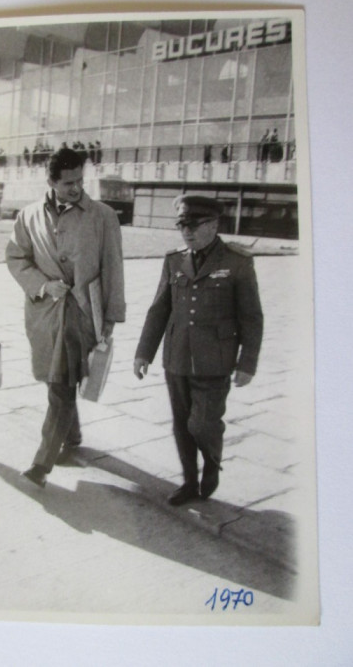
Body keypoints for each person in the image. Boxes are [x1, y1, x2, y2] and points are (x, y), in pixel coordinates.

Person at [6, 147, 126, 487]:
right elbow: (16, 258)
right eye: (69, 182)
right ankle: (72, 438)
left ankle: (42, 465)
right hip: (44, 315)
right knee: (57, 380)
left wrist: (111, 318)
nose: (76, 188)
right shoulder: (28, 216)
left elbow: (113, 268)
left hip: (84, 315)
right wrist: (43, 285)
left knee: (60, 385)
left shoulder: (103, 216)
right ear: (51, 181)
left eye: (80, 181)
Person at [134, 195, 263, 505]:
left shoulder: (237, 261)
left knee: (202, 423)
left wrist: (247, 363)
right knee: (181, 424)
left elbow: (252, 316)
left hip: (215, 360)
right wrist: (143, 353)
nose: (186, 232)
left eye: (193, 225)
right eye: (182, 225)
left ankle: (213, 461)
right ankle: (190, 482)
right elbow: (159, 309)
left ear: (214, 225)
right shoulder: (174, 260)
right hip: (176, 357)